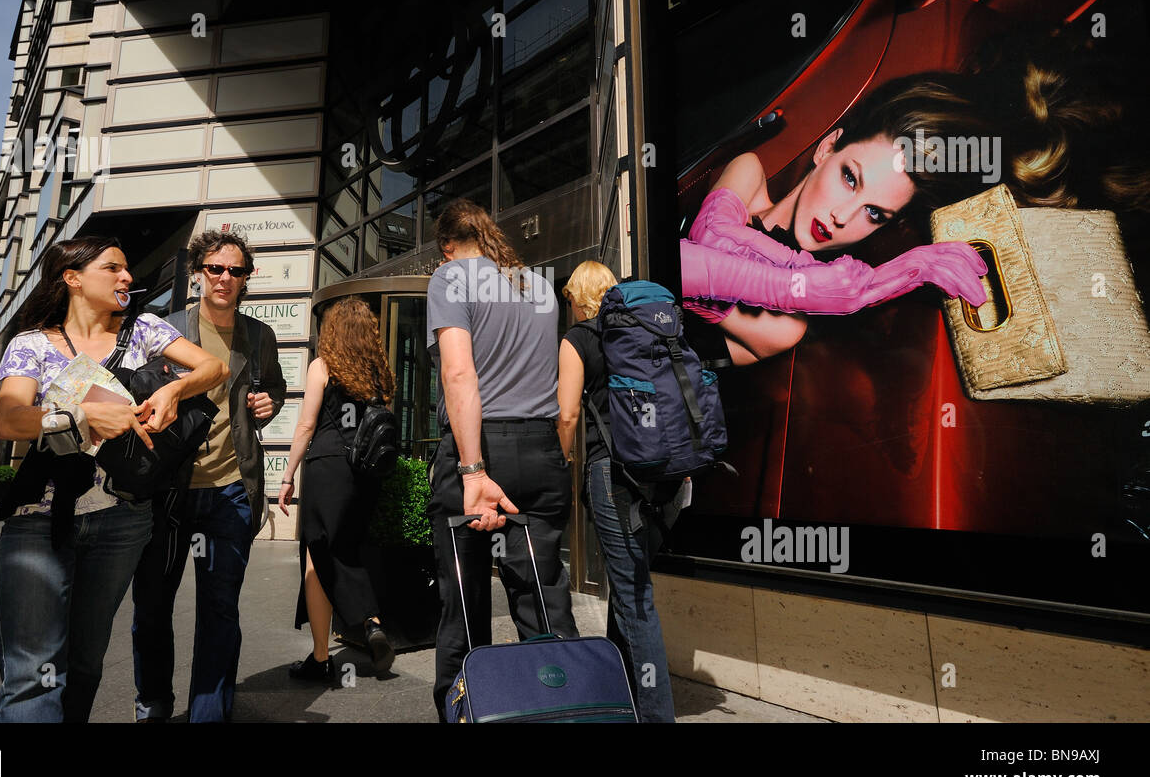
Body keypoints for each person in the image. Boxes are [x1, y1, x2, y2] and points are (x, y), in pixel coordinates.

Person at [682, 52, 1150, 363]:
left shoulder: (787, 329)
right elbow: (694, 255)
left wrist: (839, 288)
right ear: (828, 147)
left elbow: (682, 280)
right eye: (851, 177)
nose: (843, 217)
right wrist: (843, 288)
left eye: (874, 213)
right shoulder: (747, 172)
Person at [0, 236, 227, 723]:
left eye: (127, 270)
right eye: (113, 269)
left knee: (84, 661)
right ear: (72, 279)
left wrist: (175, 392)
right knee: (32, 670)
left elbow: (215, 367)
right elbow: (11, 421)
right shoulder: (31, 342)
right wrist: (81, 417)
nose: (127, 278)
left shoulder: (144, 329)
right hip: (40, 517)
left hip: (123, 520)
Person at [426, 197, 577, 720]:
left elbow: (460, 375)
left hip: (480, 448)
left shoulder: (448, 280)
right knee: (544, 598)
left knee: (464, 607)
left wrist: (473, 469)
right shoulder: (537, 285)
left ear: (447, 248)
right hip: (540, 451)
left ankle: (468, 711)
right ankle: (566, 708)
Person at [131, 230, 287, 723]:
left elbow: (275, 388)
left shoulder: (259, 337)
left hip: (230, 491)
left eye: (235, 271)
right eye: (215, 269)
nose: (224, 278)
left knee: (220, 611)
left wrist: (269, 403)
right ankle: (154, 704)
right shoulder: (163, 329)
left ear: (246, 279)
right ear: (198, 272)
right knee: (153, 608)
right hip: (168, 490)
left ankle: (208, 714)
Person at [557, 259, 677, 723]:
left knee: (633, 594)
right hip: (661, 474)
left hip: (612, 475)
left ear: (578, 298)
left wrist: (565, 456)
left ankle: (655, 714)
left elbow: (567, 415)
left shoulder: (579, 338)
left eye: (569, 299)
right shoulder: (642, 332)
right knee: (630, 585)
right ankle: (620, 688)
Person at [280, 297, 397, 682]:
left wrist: (287, 475)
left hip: (328, 467)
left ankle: (324, 654)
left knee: (318, 558)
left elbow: (306, 426)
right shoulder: (378, 374)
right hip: (365, 474)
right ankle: (373, 623)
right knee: (346, 549)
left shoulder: (323, 366)